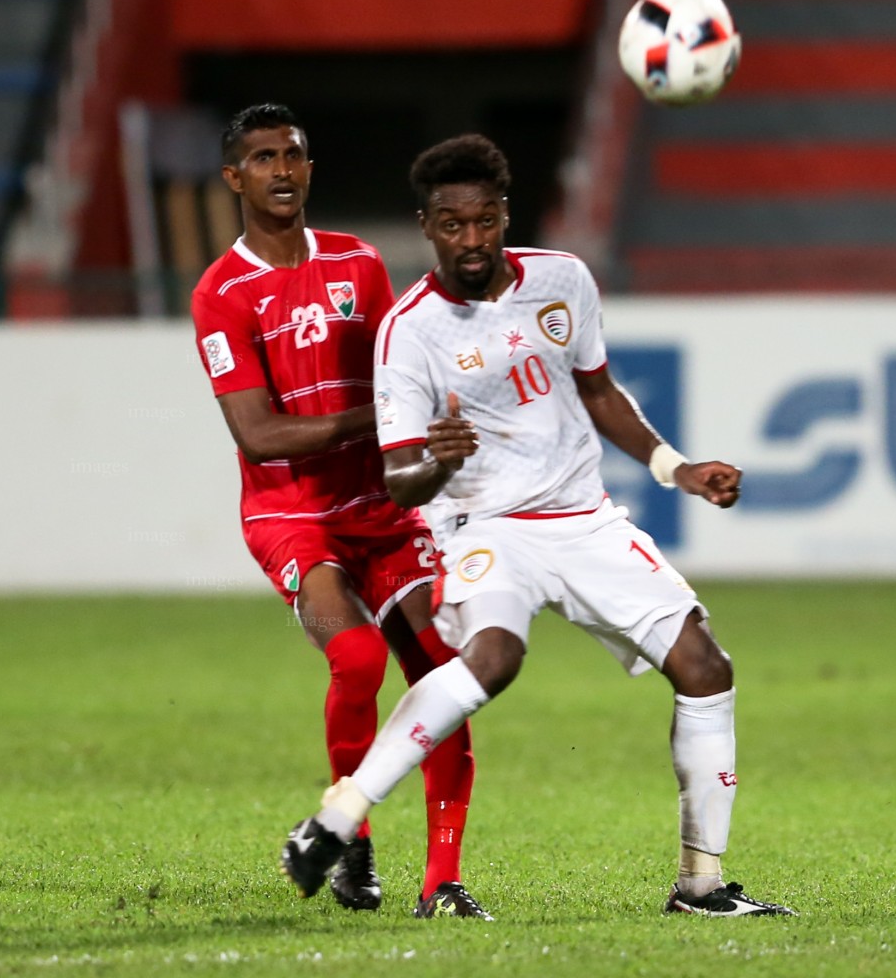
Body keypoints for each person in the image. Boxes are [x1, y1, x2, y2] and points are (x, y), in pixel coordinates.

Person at [278, 134, 796, 918]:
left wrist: (676, 468)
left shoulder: (563, 280)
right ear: (428, 225)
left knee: (706, 667)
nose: (472, 239)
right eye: (453, 225)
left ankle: (700, 885)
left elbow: (600, 393)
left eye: (485, 220)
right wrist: (441, 463)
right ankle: (339, 816)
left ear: (504, 215)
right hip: (486, 526)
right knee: (493, 660)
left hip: (585, 521)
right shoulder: (409, 330)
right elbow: (398, 476)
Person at [192, 105, 489, 918]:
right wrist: (380, 419)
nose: (282, 169)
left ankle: (443, 880)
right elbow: (258, 435)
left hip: (381, 507)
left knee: (446, 674)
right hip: (292, 513)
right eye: (262, 158)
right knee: (357, 662)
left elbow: (405, 368)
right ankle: (352, 842)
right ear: (234, 177)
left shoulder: (359, 264)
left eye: (294, 154)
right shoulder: (222, 292)